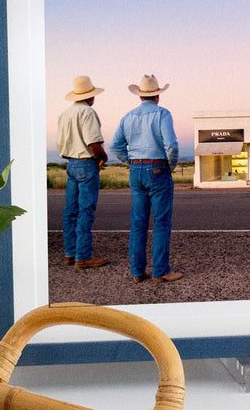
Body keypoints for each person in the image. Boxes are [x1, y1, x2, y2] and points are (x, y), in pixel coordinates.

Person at [111, 74, 182, 283]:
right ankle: (160, 271)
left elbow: (115, 146)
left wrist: (131, 161)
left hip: (136, 170)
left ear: (140, 96)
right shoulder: (162, 114)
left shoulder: (128, 117)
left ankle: (137, 271)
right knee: (161, 222)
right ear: (157, 96)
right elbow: (171, 145)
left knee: (138, 223)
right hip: (158, 168)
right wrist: (171, 165)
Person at [55, 75, 110, 269]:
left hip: (71, 164)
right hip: (86, 164)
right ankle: (83, 256)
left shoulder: (65, 114)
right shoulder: (88, 112)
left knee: (70, 211)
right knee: (86, 211)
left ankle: (70, 253)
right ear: (90, 96)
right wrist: (103, 156)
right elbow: (92, 142)